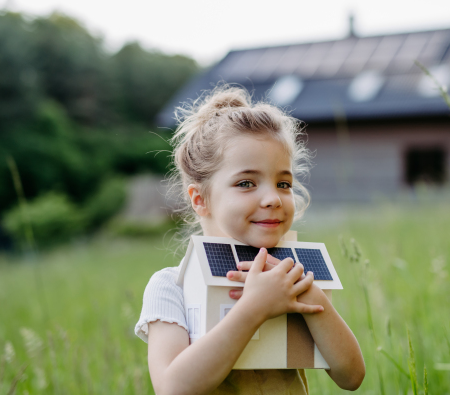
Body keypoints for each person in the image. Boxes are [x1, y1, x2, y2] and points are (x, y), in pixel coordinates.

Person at [134, 86, 365, 394]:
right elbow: (173, 389)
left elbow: (351, 377)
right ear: (200, 198)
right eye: (246, 183)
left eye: (283, 183)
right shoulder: (171, 288)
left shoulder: (293, 277)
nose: (273, 198)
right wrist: (253, 308)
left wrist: (311, 295)